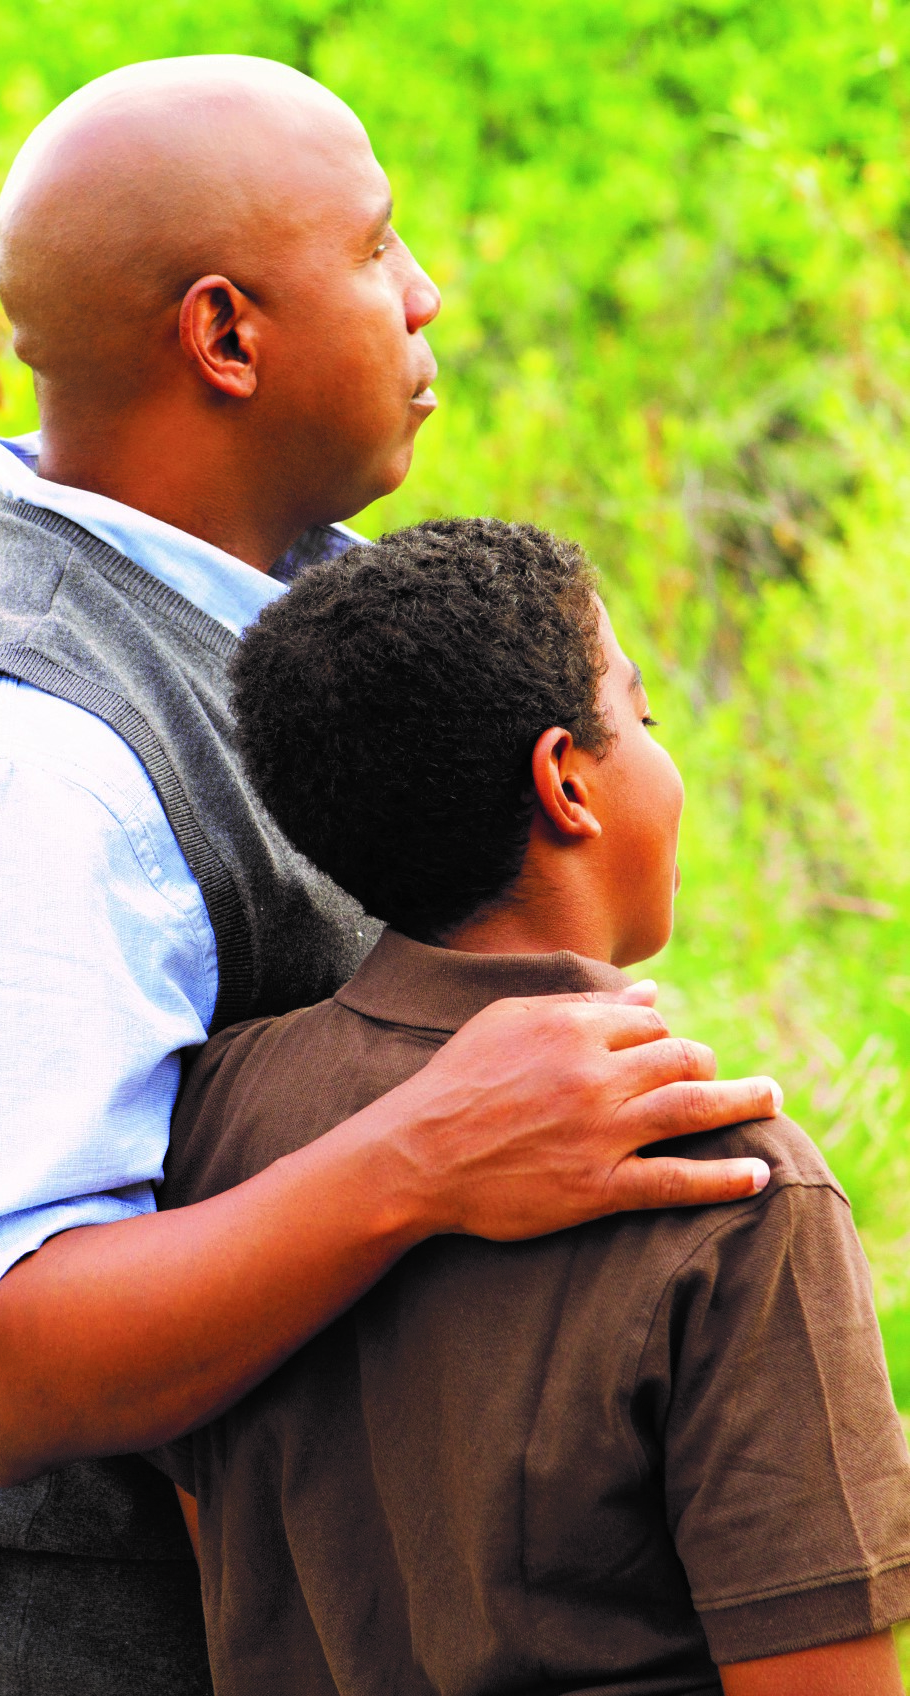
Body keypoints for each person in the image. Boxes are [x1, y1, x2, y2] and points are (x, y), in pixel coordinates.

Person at [0, 58, 781, 1696]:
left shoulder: (314, 616)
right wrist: (438, 1148)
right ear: (227, 336)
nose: (426, 293)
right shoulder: (14, 771)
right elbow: (9, 1369)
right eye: (379, 248)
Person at [157, 518, 910, 1696]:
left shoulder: (216, 1121)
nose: (665, 757)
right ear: (566, 779)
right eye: (642, 719)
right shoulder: (723, 1182)